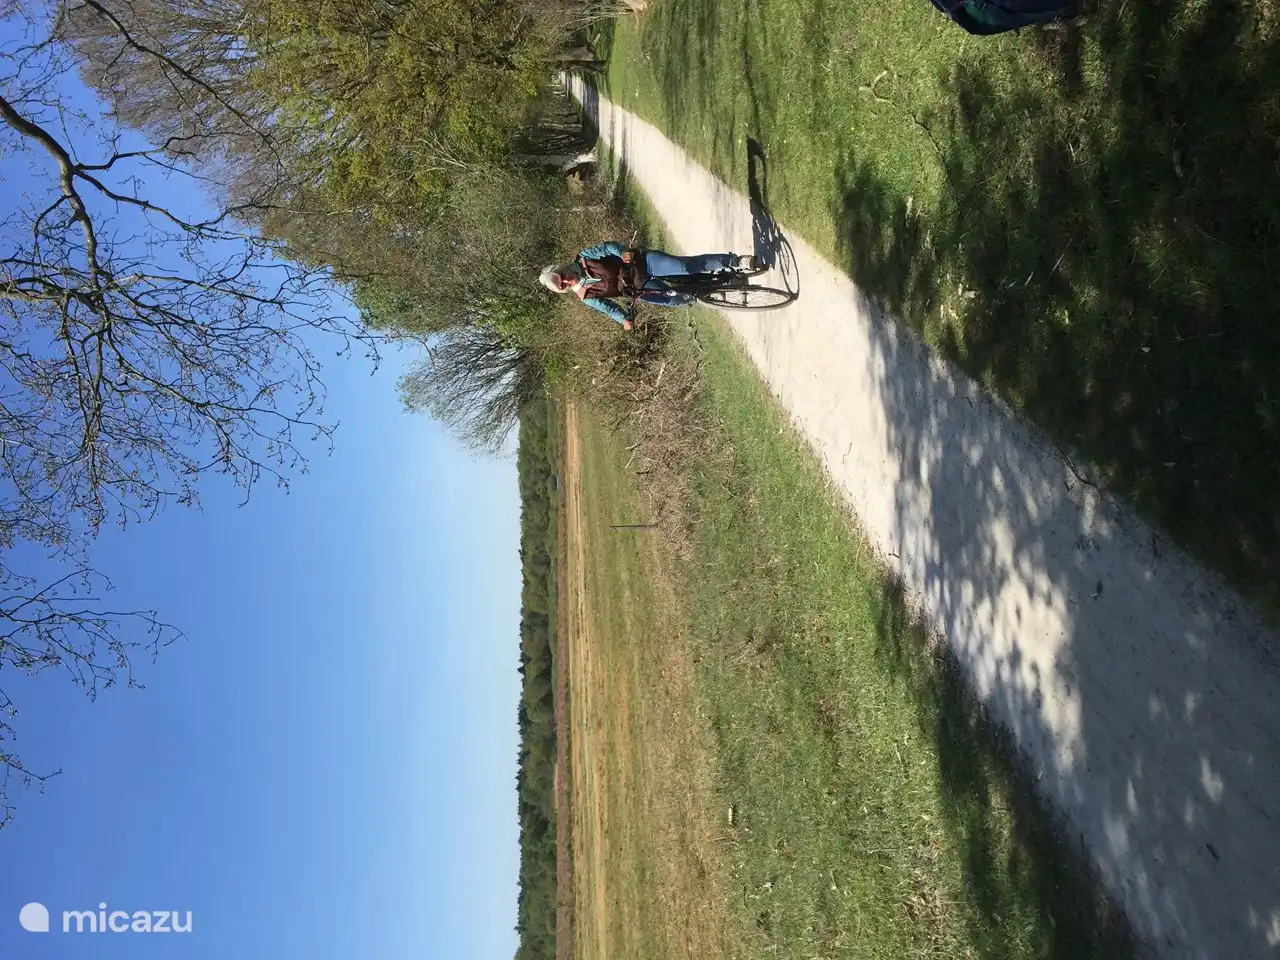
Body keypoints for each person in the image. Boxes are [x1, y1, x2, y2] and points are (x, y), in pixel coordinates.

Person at [539, 242, 757, 330]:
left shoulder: (584, 258)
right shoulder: (585, 295)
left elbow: (608, 247)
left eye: (562, 277)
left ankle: (735, 261)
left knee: (686, 266)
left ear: (561, 269)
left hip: (643, 264)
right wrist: (624, 319)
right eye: (562, 286)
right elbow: (608, 308)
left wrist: (622, 253)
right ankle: (716, 290)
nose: (566, 281)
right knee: (676, 300)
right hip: (638, 289)